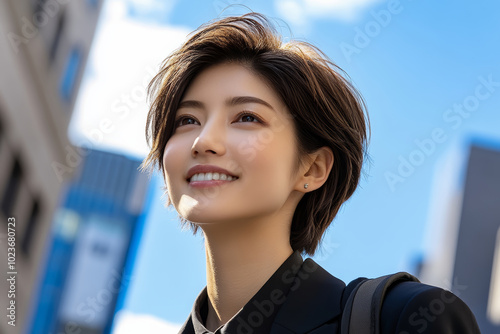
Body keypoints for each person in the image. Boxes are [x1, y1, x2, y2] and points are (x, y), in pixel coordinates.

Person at [141, 12, 481, 334]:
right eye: (187, 120)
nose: (203, 142)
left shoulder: (406, 318)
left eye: (247, 117)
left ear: (313, 168)